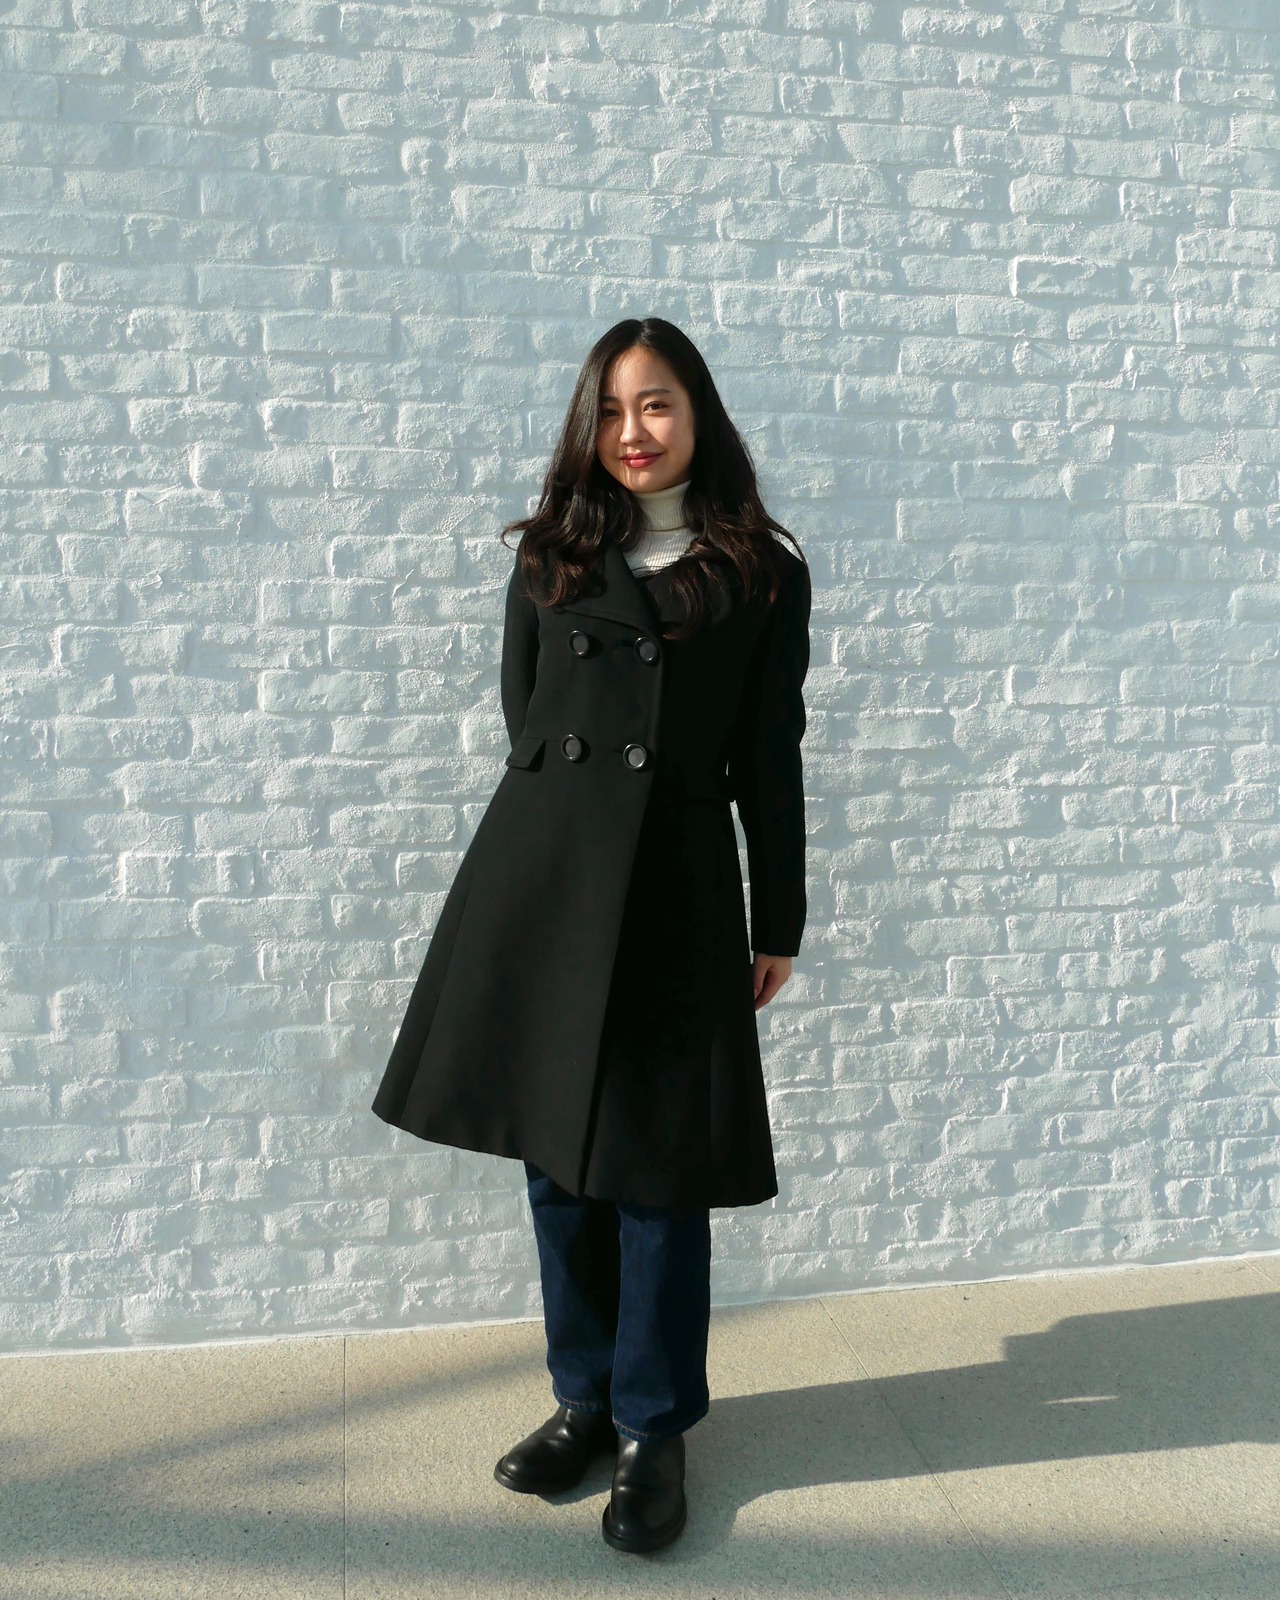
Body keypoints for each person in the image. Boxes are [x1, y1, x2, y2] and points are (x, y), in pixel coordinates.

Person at [371, 315, 812, 1554]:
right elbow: (526, 718)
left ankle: (653, 1427)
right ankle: (582, 1401)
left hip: (677, 889)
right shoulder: (553, 555)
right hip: (545, 885)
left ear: (697, 414)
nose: (632, 431)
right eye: (611, 409)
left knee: (657, 1174)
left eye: (655, 403)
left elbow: (767, 756)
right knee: (558, 1164)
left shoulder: (759, 571)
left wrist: (776, 916)